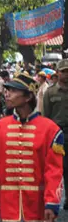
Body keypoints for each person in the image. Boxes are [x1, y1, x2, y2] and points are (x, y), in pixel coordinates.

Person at [0, 72, 64, 222]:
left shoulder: (51, 129)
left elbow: (54, 171)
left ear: (28, 97)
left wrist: (52, 203)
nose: (8, 94)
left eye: (13, 90)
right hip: (9, 206)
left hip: (39, 206)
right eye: (8, 90)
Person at [43, 59, 68, 210]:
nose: (66, 74)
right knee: (57, 169)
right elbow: (46, 117)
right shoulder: (50, 92)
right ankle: (53, 199)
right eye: (63, 71)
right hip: (58, 135)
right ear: (57, 73)